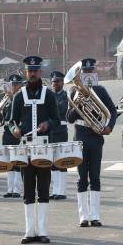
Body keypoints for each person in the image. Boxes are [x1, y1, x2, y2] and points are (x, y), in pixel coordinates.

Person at [9, 56, 60, 244]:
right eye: (29, 71)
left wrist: (49, 123)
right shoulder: (18, 95)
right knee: (28, 188)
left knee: (44, 188)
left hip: (44, 146)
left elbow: (57, 119)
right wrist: (13, 129)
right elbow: (10, 121)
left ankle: (43, 230)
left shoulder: (49, 94)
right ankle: (30, 231)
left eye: (35, 71)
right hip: (25, 146)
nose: (32, 74)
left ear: (40, 72)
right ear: (26, 72)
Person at [67, 58, 117, 228]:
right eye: (84, 72)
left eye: (90, 72)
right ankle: (83, 216)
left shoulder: (101, 90)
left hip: (96, 137)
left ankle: (95, 215)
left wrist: (109, 126)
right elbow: (69, 118)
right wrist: (77, 103)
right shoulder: (75, 91)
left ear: (94, 73)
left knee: (95, 176)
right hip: (80, 136)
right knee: (82, 178)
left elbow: (112, 110)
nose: (87, 75)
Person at [1, 74, 23, 199]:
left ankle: (17, 189)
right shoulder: (6, 99)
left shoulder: (21, 98)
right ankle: (10, 188)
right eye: (12, 84)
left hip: (18, 132)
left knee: (18, 161)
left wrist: (13, 98)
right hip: (7, 133)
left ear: (20, 85)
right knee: (9, 162)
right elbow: (2, 117)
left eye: (16, 84)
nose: (14, 86)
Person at [49, 71, 69, 200]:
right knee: (52, 162)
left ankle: (62, 191)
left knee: (61, 161)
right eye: (53, 82)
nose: (55, 84)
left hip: (61, 131)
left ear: (62, 82)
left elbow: (60, 110)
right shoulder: (50, 96)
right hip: (51, 131)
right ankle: (55, 190)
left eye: (57, 81)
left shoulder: (65, 96)